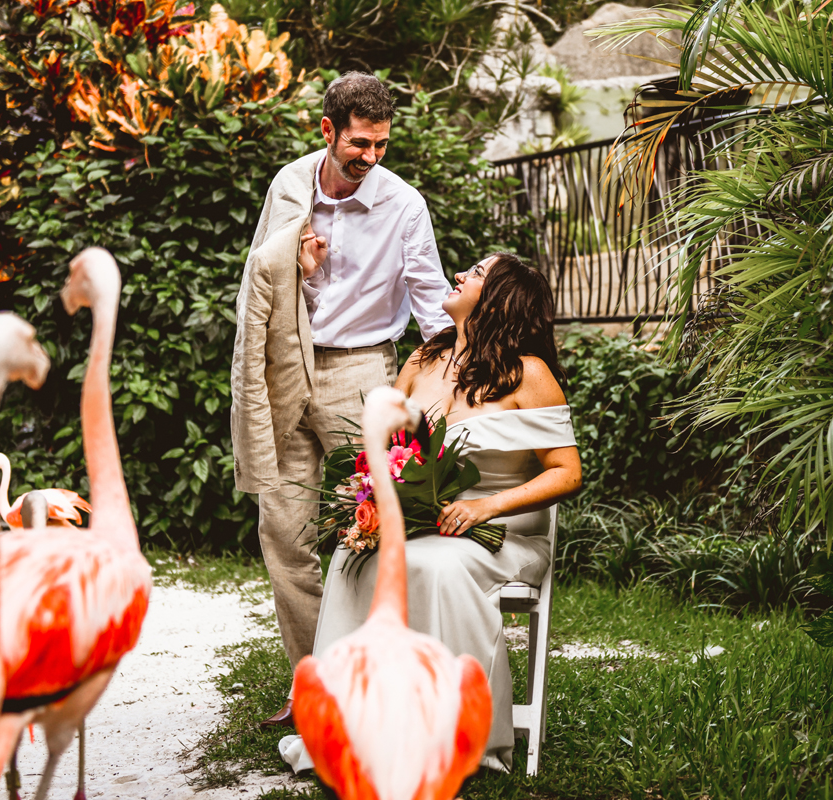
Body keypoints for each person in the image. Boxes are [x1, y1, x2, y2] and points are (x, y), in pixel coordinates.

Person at [281, 252, 582, 772]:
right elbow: (387, 441)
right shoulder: (423, 359)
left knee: (434, 567)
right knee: (353, 560)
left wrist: (485, 506)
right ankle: (358, 725)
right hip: (424, 522)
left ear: (500, 299)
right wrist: (371, 495)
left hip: (501, 530)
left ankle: (455, 733)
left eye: (478, 273)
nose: (461, 274)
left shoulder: (528, 375)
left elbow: (566, 473)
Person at [229, 72, 452, 727]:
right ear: (327, 130)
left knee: (369, 531)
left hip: (360, 374)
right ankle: (311, 688)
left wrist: (456, 376)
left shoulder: (403, 205)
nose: (372, 157)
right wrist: (295, 269)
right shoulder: (289, 186)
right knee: (284, 533)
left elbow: (431, 297)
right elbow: (257, 274)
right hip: (284, 371)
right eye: (360, 143)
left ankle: (371, 684)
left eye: (382, 144)